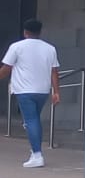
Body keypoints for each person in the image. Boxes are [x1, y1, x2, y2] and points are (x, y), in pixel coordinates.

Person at [2, 19, 60, 170]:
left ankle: (37, 154)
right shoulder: (50, 48)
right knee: (34, 120)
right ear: (40, 32)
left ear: (25, 32)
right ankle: (35, 149)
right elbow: (54, 72)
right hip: (42, 90)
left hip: (24, 90)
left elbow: (6, 68)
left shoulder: (16, 47)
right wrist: (56, 92)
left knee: (31, 120)